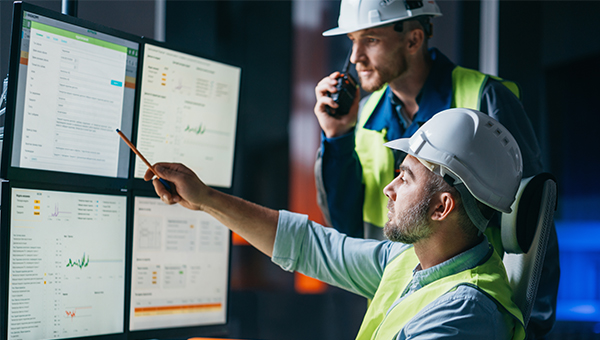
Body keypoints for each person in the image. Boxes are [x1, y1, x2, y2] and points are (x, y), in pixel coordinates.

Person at [147, 109, 526, 339]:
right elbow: (310, 246)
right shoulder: (412, 263)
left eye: (406, 178)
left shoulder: (464, 314)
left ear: (442, 207)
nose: (389, 189)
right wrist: (206, 199)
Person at [312, 1, 558, 337]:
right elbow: (346, 224)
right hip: (400, 295)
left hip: (469, 307)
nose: (354, 57)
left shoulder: (484, 98)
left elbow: (533, 223)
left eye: (369, 40)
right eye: (352, 41)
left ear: (413, 40)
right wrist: (337, 135)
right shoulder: (362, 115)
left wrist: (534, 326)